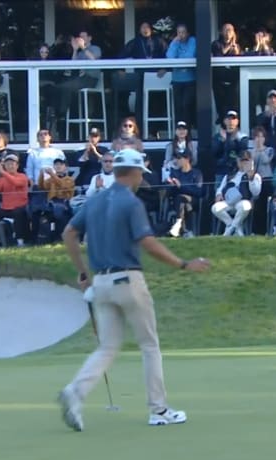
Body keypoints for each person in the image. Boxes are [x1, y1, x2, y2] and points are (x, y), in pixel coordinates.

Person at [58, 148, 210, 432]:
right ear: (134, 172)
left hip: (100, 284)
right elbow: (148, 243)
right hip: (128, 280)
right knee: (149, 345)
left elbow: (69, 233)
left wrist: (82, 272)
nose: (142, 177)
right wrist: (183, 264)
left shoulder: (95, 201)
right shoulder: (131, 202)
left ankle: (75, 392)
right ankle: (159, 409)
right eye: (141, 172)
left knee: (107, 347)